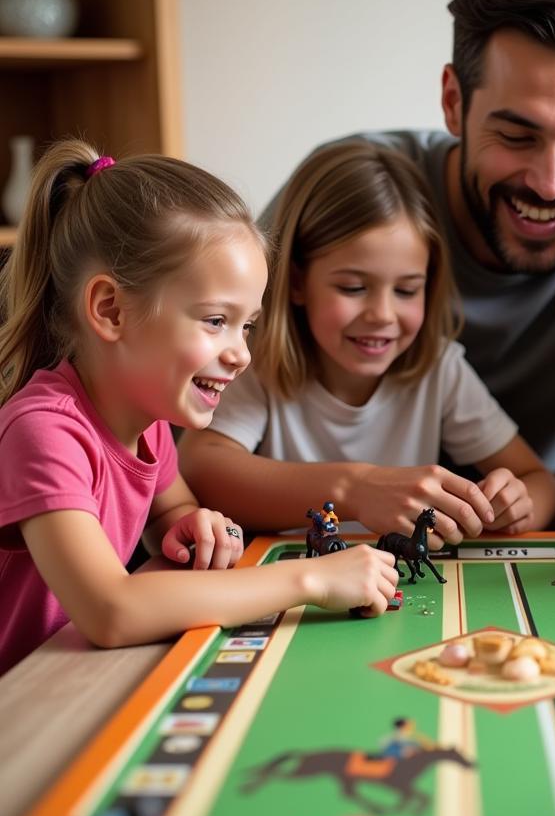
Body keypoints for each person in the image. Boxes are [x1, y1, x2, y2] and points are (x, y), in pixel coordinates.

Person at [262, 0, 555, 525]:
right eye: (518, 136)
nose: (551, 183)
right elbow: (192, 409)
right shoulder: (358, 192)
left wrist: (528, 502)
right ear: (453, 102)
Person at [0, 141, 399, 676]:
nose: (241, 354)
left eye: (247, 325)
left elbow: (173, 510)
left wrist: (194, 523)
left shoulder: (148, 422)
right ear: (110, 309)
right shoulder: (44, 431)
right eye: (215, 321)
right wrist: (313, 580)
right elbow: (109, 611)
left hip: (71, 676)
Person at [179, 142, 555, 544]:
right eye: (354, 287)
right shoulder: (259, 360)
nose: (382, 314)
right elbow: (201, 468)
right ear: (296, 282)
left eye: (407, 290)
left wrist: (518, 503)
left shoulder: (439, 368)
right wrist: (356, 489)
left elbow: (540, 481)